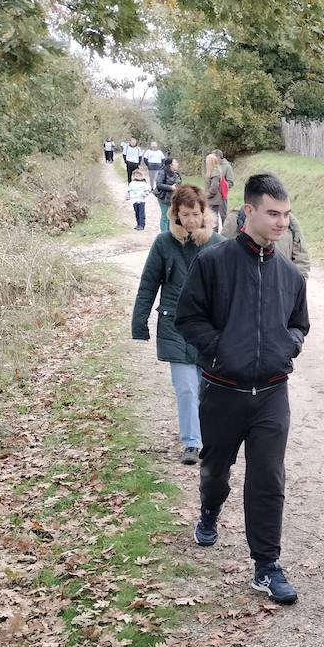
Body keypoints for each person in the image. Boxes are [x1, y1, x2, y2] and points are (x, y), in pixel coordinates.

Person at [174, 173, 309, 606]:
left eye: (286, 215)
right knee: (216, 471)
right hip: (223, 391)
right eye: (273, 213)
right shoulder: (214, 263)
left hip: (271, 393)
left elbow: (299, 325)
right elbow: (188, 318)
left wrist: (287, 346)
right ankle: (210, 509)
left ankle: (266, 567)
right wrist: (220, 352)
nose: (281, 222)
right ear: (247, 211)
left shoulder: (290, 274)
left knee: (268, 479)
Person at [131, 185, 223, 465]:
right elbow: (148, 284)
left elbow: (233, 291)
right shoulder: (163, 244)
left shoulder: (219, 244)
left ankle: (211, 438)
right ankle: (191, 443)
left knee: (206, 388)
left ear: (204, 212)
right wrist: (140, 323)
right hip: (174, 325)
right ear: (175, 214)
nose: (191, 220)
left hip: (209, 329)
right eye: (186, 215)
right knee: (185, 387)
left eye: (196, 214)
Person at [220, 198, 310, 276]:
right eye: (273, 214)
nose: (282, 223)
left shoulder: (292, 223)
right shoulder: (235, 219)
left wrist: (292, 287)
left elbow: (301, 261)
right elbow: (222, 257)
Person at [154, 158, 181, 235]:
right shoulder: (162, 172)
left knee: (171, 217)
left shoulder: (177, 173)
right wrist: (170, 187)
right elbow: (158, 184)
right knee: (165, 216)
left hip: (174, 198)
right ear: (170, 165)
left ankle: (169, 233)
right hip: (164, 197)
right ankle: (163, 234)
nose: (177, 164)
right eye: (175, 162)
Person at [126, 166, 150, 230]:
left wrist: (145, 194)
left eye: (139, 175)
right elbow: (129, 190)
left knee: (141, 213)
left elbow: (147, 190)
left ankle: (142, 225)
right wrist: (128, 196)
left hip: (141, 200)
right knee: (136, 212)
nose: (137, 177)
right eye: (136, 175)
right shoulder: (132, 183)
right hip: (134, 199)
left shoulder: (144, 183)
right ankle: (138, 224)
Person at [217, 150, 236, 222]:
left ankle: (224, 232)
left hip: (222, 196)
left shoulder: (227, 167)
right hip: (213, 196)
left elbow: (230, 182)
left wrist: (221, 187)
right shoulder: (214, 165)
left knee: (223, 215)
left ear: (218, 157)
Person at [204, 153, 223, 218]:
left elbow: (214, 188)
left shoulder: (215, 173)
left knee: (213, 219)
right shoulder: (212, 172)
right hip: (212, 200)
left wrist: (206, 195)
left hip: (213, 201)